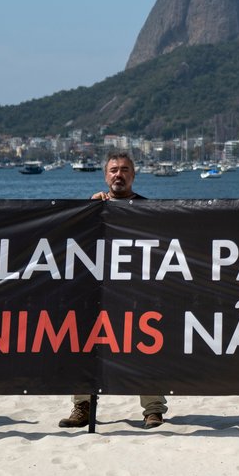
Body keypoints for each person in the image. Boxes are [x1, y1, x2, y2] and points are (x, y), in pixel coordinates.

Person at [58, 153, 168, 430]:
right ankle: (82, 407)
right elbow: (69, 238)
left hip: (136, 292)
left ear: (134, 175)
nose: (119, 175)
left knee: (146, 348)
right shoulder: (93, 206)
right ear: (105, 175)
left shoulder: (148, 208)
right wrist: (88, 207)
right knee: (84, 347)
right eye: (114, 170)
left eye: (125, 170)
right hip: (95, 292)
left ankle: (153, 410)